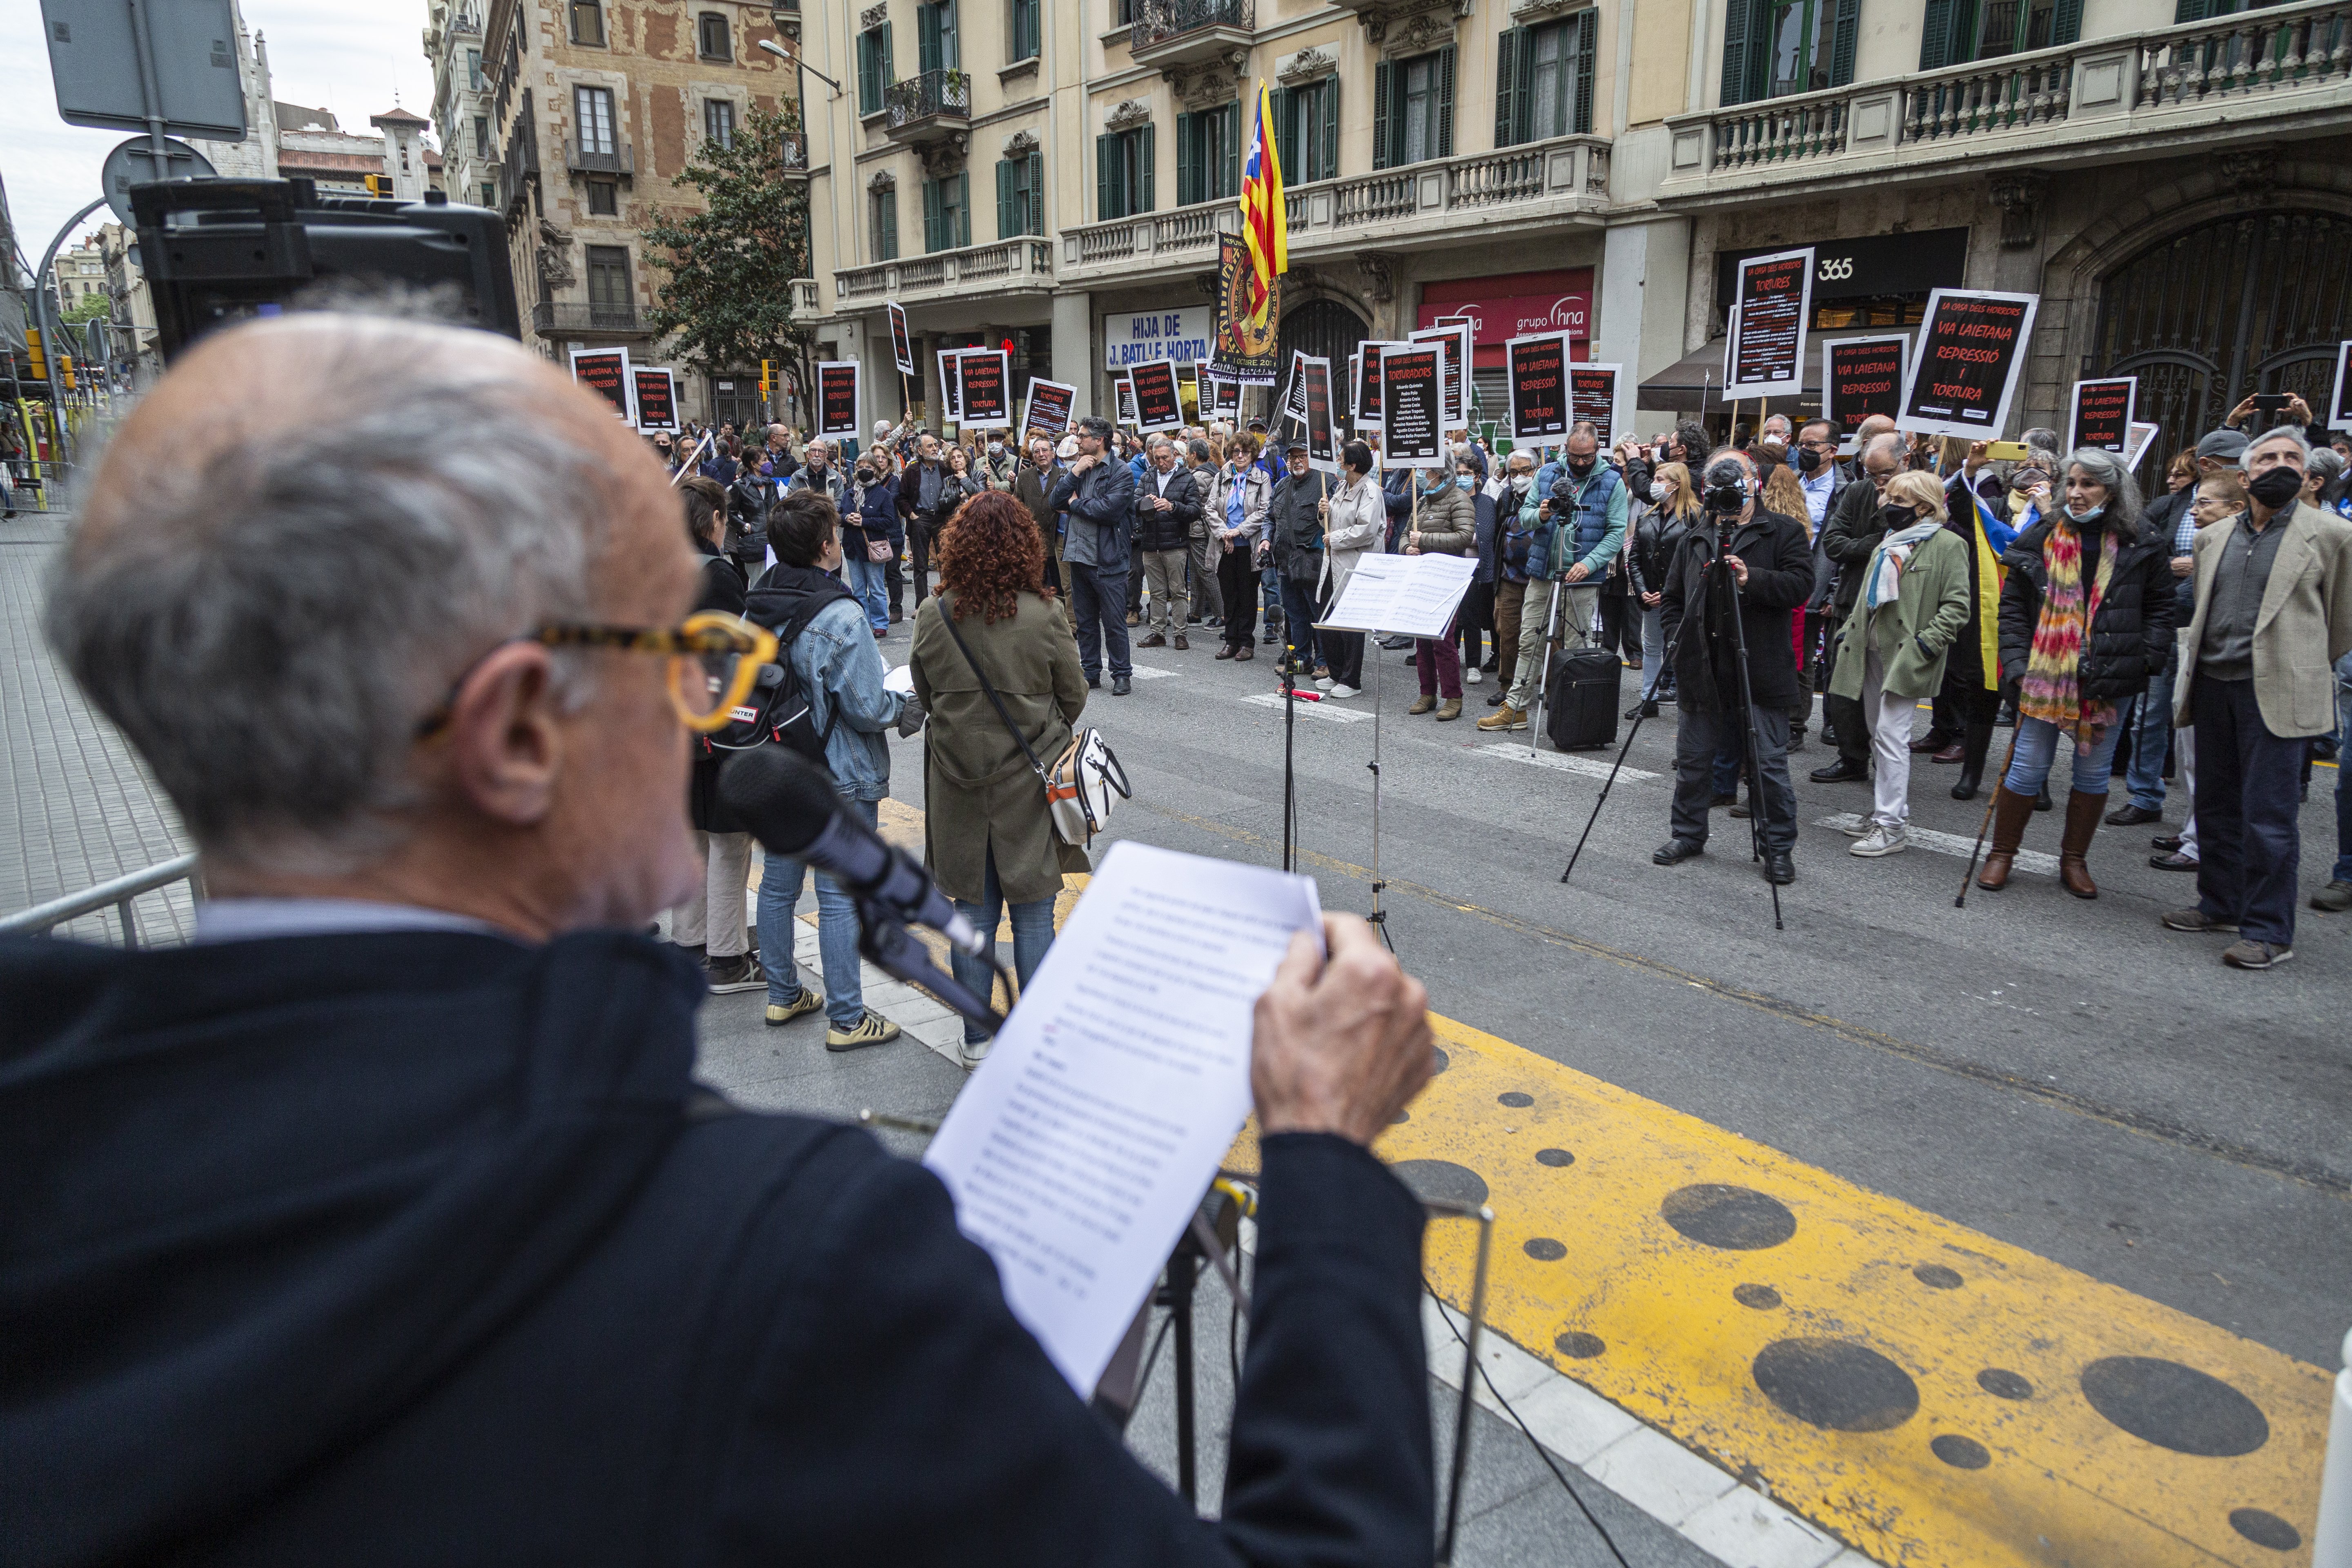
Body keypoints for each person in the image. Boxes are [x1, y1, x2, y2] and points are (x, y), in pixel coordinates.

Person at [16, 308, 1442, 1567]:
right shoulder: (790, 1268)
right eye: (682, 653)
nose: (713, 702)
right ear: (517, 736)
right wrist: (1322, 1162)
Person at [2160, 426, 2352, 969]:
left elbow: (2341, 625)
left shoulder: (2333, 535)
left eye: (2292, 456)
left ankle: (2269, 930)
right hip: (2214, 685)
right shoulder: (2213, 537)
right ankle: (2219, 904)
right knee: (2216, 805)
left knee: (2269, 816)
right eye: (2268, 457)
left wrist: (2297, 665)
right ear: (2244, 478)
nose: (2282, 464)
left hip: (2279, 693)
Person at [910, 491, 1088, 1067]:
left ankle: (977, 1038)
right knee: (1034, 909)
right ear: (1024, 547)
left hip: (956, 777)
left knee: (971, 910)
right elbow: (1074, 695)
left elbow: (925, 692)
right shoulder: (1044, 614)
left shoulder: (933, 615)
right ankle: (1034, 1034)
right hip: (1029, 777)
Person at [746, 490, 918, 1047]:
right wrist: (908, 704)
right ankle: (847, 1019)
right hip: (837, 768)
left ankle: (783, 995)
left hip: (774, 763)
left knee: (779, 885)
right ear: (827, 547)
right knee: (840, 893)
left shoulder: (757, 601)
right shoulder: (840, 613)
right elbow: (867, 708)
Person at [1974, 448, 2174, 900]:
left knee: (2094, 772)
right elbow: (2013, 610)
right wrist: (2019, 665)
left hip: (2111, 672)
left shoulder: (2143, 539)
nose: (2077, 493)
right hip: (2045, 673)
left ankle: (2074, 860)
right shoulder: (2043, 535)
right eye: (2072, 484)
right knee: (2027, 767)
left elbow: (2161, 607)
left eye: (2089, 485)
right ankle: (2002, 853)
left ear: (2114, 490)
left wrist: (2146, 659)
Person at [1652, 448, 1814, 885]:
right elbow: (1671, 599)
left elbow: (1802, 587)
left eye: (1736, 475)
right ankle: (1688, 834)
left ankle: (1776, 848)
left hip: (1758, 668)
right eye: (1718, 477)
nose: (1728, 484)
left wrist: (1754, 579)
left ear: (1755, 481)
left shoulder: (1782, 531)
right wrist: (1676, 637)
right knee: (1693, 761)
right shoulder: (1696, 535)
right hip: (1702, 669)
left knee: (1768, 767)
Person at [1824, 471, 1973, 857]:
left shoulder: (1949, 545)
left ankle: (1891, 826)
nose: (1884, 504)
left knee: (1892, 736)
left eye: (1896, 499)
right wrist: (1848, 635)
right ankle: (1885, 810)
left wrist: (1926, 645)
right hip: (1869, 650)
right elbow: (1867, 598)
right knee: (1877, 733)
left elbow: (1957, 607)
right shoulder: (1889, 541)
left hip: (1907, 656)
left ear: (1924, 506)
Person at [2111, 429, 2247, 826]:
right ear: (2208, 466)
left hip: (2209, 631)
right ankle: (2145, 795)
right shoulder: (2171, 506)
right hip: (2166, 625)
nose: (2244, 470)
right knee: (2148, 714)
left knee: (2200, 731)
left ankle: (2199, 822)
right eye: (2235, 463)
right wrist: (2169, 568)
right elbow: (2137, 546)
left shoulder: (2247, 511)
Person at [672, 477, 764, 988]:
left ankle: (689, 943)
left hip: (667, 725)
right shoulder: (719, 577)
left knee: (691, 837)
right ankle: (728, 957)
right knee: (729, 842)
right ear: (712, 521)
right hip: (715, 728)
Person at [1482, 427, 1626, 733]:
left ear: (1598, 450)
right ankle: (1516, 708)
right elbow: (1526, 517)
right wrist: (1544, 515)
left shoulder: (1611, 480)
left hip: (1583, 578)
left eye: (1588, 457)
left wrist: (1589, 564)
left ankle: (1571, 713)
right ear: (1565, 449)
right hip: (1544, 571)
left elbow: (1616, 533)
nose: (1581, 462)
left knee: (1575, 648)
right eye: (1575, 456)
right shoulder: (1547, 473)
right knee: (1529, 640)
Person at [1810, 427, 1905, 785]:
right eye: (1871, 473)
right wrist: (1877, 543)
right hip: (1852, 599)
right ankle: (1852, 757)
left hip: (1897, 605)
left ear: (1905, 462)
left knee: (1887, 689)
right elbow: (1834, 543)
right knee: (1841, 680)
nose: (1878, 481)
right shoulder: (1857, 492)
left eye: (1885, 474)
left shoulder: (1919, 494)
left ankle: (1888, 761)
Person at [1047, 415, 1138, 695]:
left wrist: (1075, 504)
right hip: (1078, 556)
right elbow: (1055, 502)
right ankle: (1091, 672)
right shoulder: (1079, 467)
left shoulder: (1120, 472)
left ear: (1099, 440)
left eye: (1083, 436)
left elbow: (1109, 511)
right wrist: (1074, 474)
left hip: (1108, 558)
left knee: (1113, 621)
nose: (1077, 440)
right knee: (1085, 622)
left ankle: (1122, 674)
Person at [1402, 450, 1477, 721]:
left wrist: (1424, 541)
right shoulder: (1422, 501)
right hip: (1421, 576)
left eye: (1425, 469)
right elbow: (1405, 534)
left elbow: (1464, 537)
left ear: (1439, 471)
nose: (1421, 475)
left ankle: (1453, 697)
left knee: (1443, 642)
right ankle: (1427, 693)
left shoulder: (1459, 499)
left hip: (1447, 578)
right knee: (1422, 640)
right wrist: (1406, 548)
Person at [1627, 460, 1702, 719]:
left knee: (1683, 649)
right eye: (1655, 479)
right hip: (1651, 595)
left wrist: (1672, 591)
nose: (1654, 485)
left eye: (1660, 480)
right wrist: (1642, 590)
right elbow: (1634, 557)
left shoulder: (1696, 516)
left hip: (1681, 598)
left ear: (1677, 484)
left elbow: (1696, 560)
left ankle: (1689, 703)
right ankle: (1649, 699)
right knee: (1651, 647)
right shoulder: (1646, 516)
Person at [1316, 441, 1388, 699]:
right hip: (1333, 563)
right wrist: (1323, 511)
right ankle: (1335, 673)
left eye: (1342, 456)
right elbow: (1330, 518)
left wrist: (1335, 538)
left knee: (1350, 625)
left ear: (1353, 464)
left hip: (1354, 565)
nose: (1338, 458)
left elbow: (1366, 531)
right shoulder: (1341, 485)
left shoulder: (1370, 491)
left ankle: (1351, 679)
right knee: (1328, 619)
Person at [1266, 439, 1332, 682]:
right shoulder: (1282, 485)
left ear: (1312, 458)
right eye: (1293, 456)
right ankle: (1303, 659)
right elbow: (1270, 518)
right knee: (1295, 615)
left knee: (1318, 615)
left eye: (1302, 456)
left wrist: (1329, 510)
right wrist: (1265, 540)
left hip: (1312, 560)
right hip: (1286, 560)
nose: (1297, 461)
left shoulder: (1328, 483)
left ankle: (1325, 662)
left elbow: (1338, 519)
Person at [1482, 450, 1539, 710]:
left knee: (1545, 634)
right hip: (1508, 576)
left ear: (1537, 469)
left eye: (1525, 470)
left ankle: (1548, 688)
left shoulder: (1545, 495)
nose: (1519, 477)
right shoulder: (1506, 496)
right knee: (1508, 632)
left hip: (1539, 577)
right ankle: (1507, 687)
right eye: (1513, 472)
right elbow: (1497, 531)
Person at [1208, 430, 1272, 660]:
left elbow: (1265, 510)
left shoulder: (1262, 478)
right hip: (1225, 545)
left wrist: (1239, 531)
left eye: (1245, 452)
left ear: (1253, 455)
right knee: (1229, 594)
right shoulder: (1222, 477)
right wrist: (1226, 533)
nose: (1241, 456)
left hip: (1249, 545)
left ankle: (1246, 642)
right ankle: (1230, 640)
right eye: (1236, 452)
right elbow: (1209, 508)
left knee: (1247, 595)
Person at [1135, 435, 1201, 650]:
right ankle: (1157, 633)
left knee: (1178, 591)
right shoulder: (1147, 476)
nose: (1161, 463)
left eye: (1165, 458)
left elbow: (1195, 511)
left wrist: (1173, 507)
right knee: (1156, 592)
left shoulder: (1187, 478)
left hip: (1175, 544)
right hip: (1151, 543)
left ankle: (1180, 634)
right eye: (1156, 459)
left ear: (1175, 456)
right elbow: (1133, 504)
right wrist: (1147, 503)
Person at [842, 449, 902, 638]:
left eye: (868, 467)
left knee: (876, 588)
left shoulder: (882, 494)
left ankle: (880, 623)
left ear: (876, 470)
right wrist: (847, 518)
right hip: (853, 547)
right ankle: (863, 622)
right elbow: (839, 514)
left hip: (874, 548)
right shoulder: (849, 493)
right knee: (858, 589)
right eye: (860, 467)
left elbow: (888, 520)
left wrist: (864, 522)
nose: (864, 470)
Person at [896, 431, 951, 612]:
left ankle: (946, 603)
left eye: (936, 445)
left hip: (942, 518)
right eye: (930, 446)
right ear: (919, 450)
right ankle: (921, 606)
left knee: (945, 562)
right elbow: (902, 497)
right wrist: (911, 515)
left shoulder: (945, 468)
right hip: (920, 518)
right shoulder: (911, 470)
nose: (935, 449)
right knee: (921, 565)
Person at [1013, 432, 1067, 593]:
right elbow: (1017, 507)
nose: (1041, 454)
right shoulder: (1024, 477)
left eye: (1045, 450)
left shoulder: (1063, 475)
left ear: (1053, 453)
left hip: (1057, 540)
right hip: (1033, 540)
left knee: (1059, 586)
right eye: (1037, 451)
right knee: (1035, 586)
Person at [1185, 435, 1225, 629]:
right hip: (1201, 530)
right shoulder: (1213, 471)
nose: (1186, 458)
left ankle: (1221, 614)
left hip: (1201, 531)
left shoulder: (1199, 476)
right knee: (1197, 572)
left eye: (1187, 454)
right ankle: (1195, 612)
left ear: (1194, 455)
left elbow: (1195, 504)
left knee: (1206, 572)